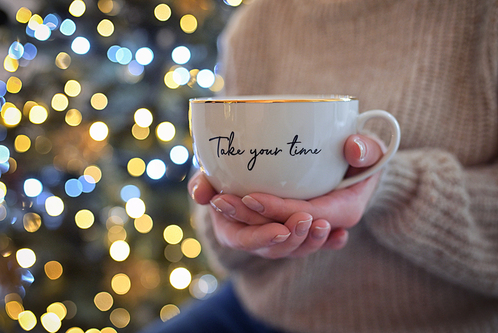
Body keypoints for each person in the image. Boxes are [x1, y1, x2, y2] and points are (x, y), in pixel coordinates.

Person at [143, 0, 498, 332]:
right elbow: (225, 158)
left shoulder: (481, 16)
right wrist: (228, 220)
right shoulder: (258, 20)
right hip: (260, 309)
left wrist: (389, 185)